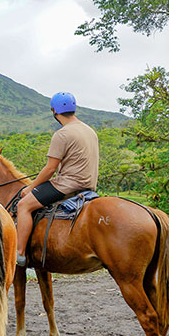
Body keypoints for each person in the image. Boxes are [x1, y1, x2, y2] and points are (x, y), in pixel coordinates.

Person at [14, 92, 99, 267]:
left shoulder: (62, 134)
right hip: (89, 185)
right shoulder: (90, 130)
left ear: (54, 111)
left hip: (67, 185)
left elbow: (50, 169)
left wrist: (30, 188)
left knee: (23, 205)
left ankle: (19, 253)